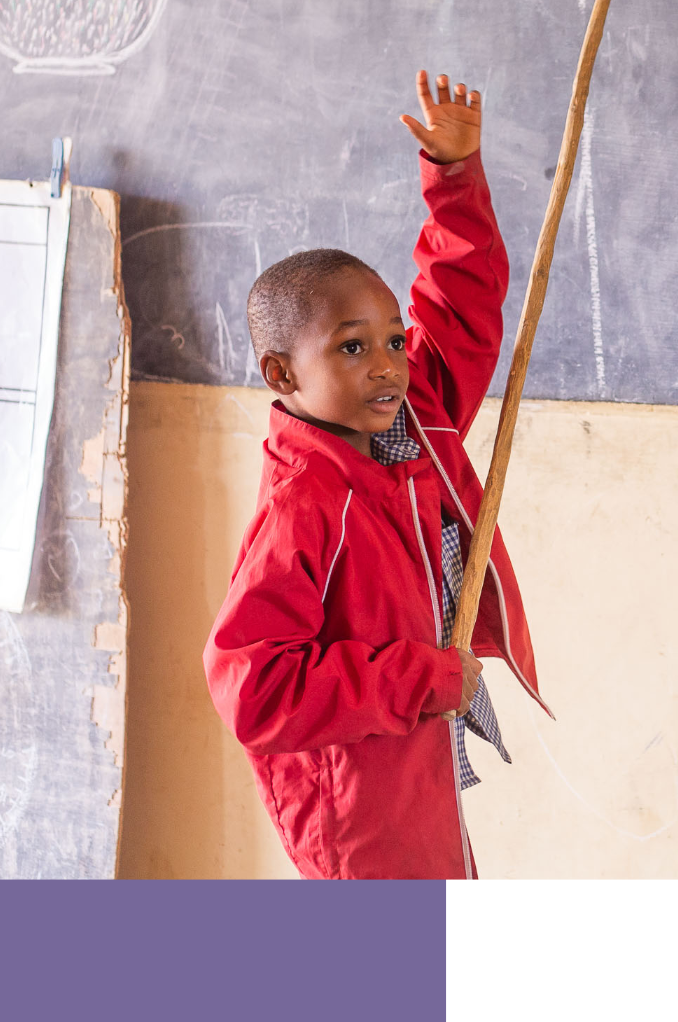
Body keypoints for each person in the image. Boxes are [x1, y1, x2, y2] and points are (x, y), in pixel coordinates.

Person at [201, 70, 550, 880]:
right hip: (353, 800)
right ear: (281, 373)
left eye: (393, 340)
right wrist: (420, 678)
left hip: (411, 764)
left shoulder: (409, 426)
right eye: (351, 347)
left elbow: (457, 305)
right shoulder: (304, 503)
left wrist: (454, 177)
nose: (388, 364)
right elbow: (254, 688)